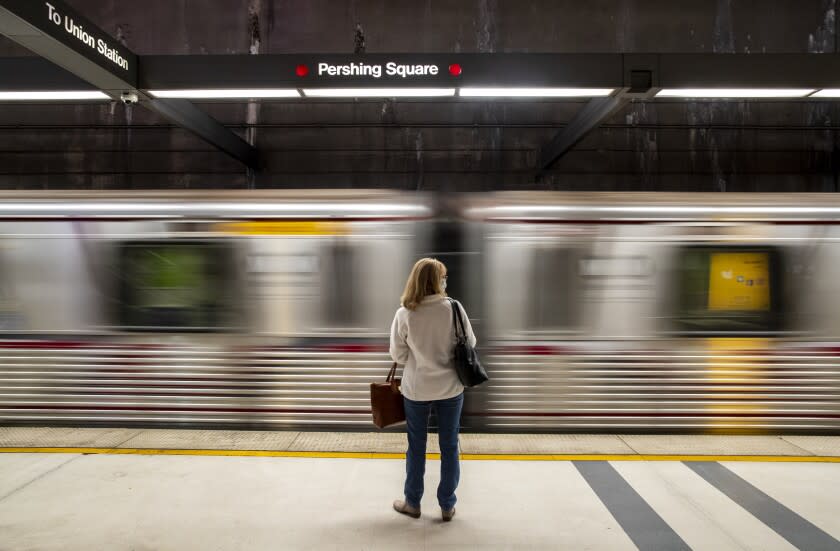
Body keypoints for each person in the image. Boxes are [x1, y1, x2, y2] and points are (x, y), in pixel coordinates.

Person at [389, 257, 476, 522]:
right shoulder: (454, 308)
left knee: (416, 446)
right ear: (437, 281)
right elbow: (470, 342)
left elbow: (398, 355)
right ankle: (447, 506)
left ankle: (412, 503)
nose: (445, 281)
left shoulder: (405, 313)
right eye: (443, 277)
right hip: (451, 388)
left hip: (416, 390)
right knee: (449, 446)